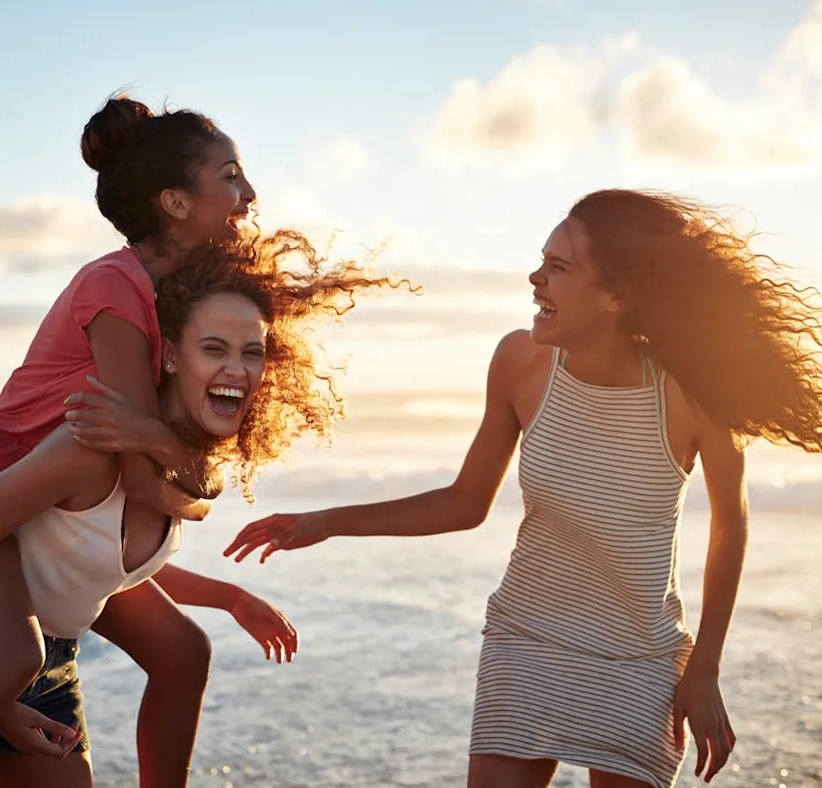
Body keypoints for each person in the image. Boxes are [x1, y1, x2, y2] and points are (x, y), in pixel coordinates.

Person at [225, 189, 822, 788]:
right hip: (528, 638)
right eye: (542, 260)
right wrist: (328, 521)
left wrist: (705, 668)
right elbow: (465, 502)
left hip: (639, 659)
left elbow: (730, 523)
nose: (535, 278)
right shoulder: (521, 364)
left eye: (558, 268)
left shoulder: (691, 394)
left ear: (616, 296)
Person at [0, 235, 394, 787]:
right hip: (9, 658)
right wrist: (7, 680)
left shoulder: (181, 466)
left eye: (251, 352)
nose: (237, 367)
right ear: (172, 355)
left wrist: (230, 598)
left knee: (186, 650)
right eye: (214, 348)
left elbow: (87, 561)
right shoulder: (95, 442)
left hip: (45, 664)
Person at [0, 92, 259, 786]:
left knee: (182, 652)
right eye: (230, 176)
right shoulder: (116, 289)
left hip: (54, 524)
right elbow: (144, 485)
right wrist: (171, 458)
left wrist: (182, 462)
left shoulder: (170, 295)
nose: (249, 194)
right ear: (175, 203)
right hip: (9, 506)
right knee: (16, 661)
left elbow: (172, 489)